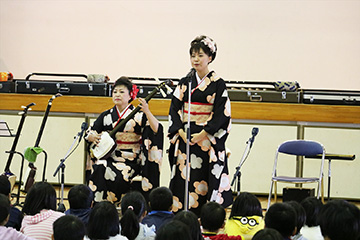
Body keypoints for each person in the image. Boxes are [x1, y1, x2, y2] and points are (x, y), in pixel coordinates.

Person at [168, 35, 232, 216]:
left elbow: (222, 113)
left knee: (205, 178)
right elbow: (174, 109)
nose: (196, 59)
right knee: (184, 177)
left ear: (210, 58)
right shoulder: (185, 82)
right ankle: (182, 216)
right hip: (185, 137)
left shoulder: (218, 84)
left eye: (200, 55)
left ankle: (207, 218)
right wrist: (180, 132)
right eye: (193, 56)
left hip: (206, 139)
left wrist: (203, 133)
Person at [86, 76, 164, 203]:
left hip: (130, 160)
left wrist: (147, 111)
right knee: (99, 166)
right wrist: (92, 136)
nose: (117, 94)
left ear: (130, 96)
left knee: (115, 175)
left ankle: (109, 204)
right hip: (110, 157)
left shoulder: (138, 115)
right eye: (115, 91)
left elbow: (156, 129)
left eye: (122, 92)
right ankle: (98, 205)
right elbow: (90, 131)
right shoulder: (106, 115)